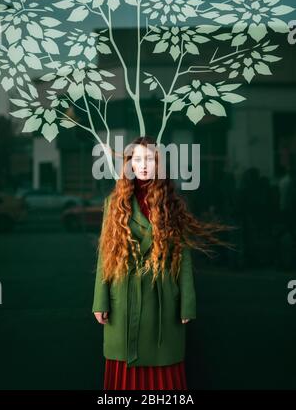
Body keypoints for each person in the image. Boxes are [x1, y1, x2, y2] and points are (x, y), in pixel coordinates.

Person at [92, 135, 235, 390]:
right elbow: (105, 254)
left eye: (149, 159)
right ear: (129, 164)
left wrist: (187, 303)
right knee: (124, 368)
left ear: (158, 163)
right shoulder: (115, 203)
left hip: (163, 299)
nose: (144, 165)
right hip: (123, 298)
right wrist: (100, 301)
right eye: (138, 159)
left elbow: (183, 257)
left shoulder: (171, 204)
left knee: (164, 369)